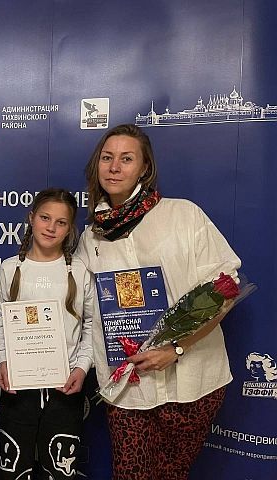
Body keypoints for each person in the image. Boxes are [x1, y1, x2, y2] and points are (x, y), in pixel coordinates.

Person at [76, 124, 241, 480]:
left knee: (172, 475)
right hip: (129, 386)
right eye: (107, 158)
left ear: (144, 168)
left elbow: (225, 288)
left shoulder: (183, 215)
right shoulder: (91, 237)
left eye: (126, 159)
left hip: (193, 381)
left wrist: (177, 348)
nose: (114, 167)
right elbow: (82, 309)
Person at [0, 188, 94, 479]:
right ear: (31, 218)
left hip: (65, 388)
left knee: (60, 470)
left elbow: (91, 327)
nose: (51, 227)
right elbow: (0, 323)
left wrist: (82, 367)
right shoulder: (10, 268)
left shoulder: (79, 271)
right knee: (13, 470)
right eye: (45, 218)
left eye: (61, 222)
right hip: (18, 387)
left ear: (70, 229)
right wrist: (3, 360)